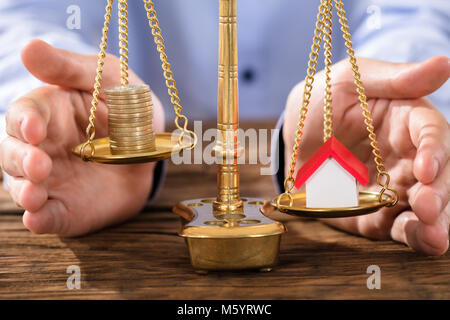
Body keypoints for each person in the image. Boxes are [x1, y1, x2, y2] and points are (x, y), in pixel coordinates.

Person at [0, 0, 448, 256]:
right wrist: (47, 99)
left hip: (337, 135)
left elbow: (408, 12)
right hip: (130, 147)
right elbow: (39, 11)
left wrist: (396, 100)